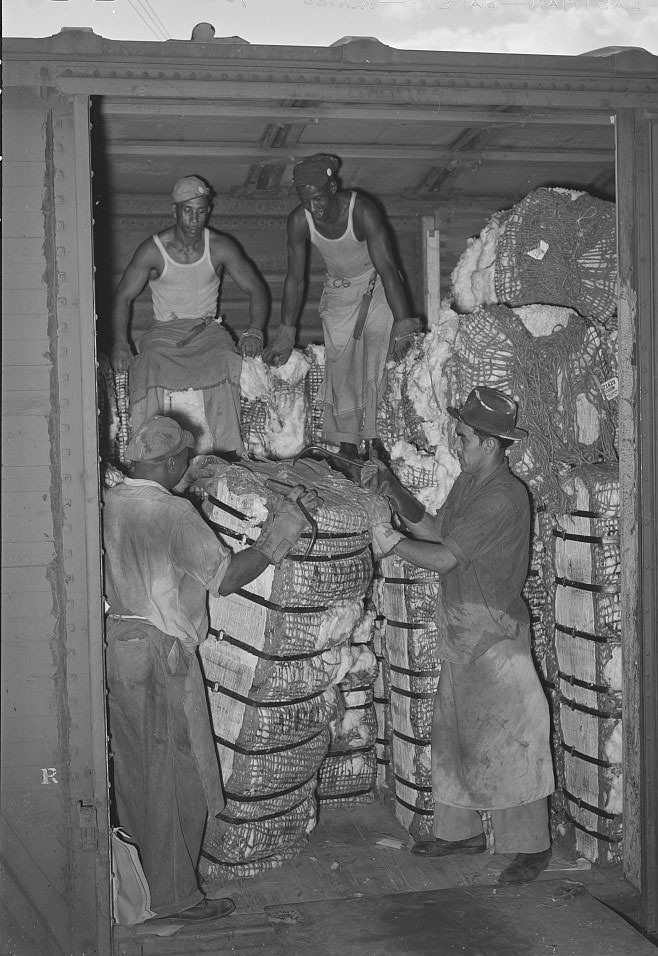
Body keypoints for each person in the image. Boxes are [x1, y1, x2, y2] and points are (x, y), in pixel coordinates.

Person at [102, 415, 317, 922]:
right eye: (184, 462)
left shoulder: (113, 500)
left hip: (121, 647)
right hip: (161, 656)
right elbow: (224, 579)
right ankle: (174, 897)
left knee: (139, 775)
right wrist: (275, 536)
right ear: (174, 461)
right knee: (177, 776)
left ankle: (148, 882)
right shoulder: (172, 513)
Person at [370, 387, 555, 885]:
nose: (457, 442)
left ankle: (531, 845)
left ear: (492, 443)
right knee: (452, 739)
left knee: (513, 741)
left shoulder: (503, 496)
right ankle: (460, 833)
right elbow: (434, 529)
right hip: (461, 630)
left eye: (465, 436)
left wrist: (391, 543)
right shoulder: (470, 483)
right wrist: (393, 490)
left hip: (495, 636)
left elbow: (445, 558)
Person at [262, 153, 420, 460]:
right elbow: (295, 279)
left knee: (376, 346)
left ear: (333, 187)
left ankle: (376, 439)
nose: (314, 208)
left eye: (319, 199)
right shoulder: (299, 220)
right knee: (341, 360)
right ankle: (348, 443)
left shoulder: (362, 211)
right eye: (306, 201)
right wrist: (285, 331)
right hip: (340, 289)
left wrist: (403, 324)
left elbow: (387, 268)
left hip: (376, 283)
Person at [110, 175, 270, 458]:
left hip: (206, 330)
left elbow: (257, 289)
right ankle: (145, 455)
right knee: (148, 364)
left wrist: (255, 330)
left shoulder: (220, 246)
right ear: (175, 211)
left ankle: (230, 454)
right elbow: (123, 296)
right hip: (165, 332)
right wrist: (121, 343)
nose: (194, 219)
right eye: (187, 211)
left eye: (201, 211)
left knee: (225, 358)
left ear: (208, 210)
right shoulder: (154, 250)